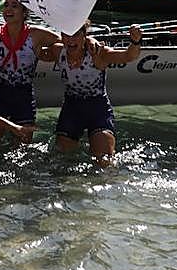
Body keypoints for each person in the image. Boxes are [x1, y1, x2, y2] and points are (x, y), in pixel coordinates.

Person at [43, 23, 142, 167]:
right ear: (61, 37)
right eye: (67, 35)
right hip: (72, 108)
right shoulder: (58, 51)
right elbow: (37, 47)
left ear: (84, 36)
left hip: (98, 109)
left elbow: (128, 56)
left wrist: (136, 40)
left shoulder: (98, 53)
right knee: (60, 160)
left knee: (104, 161)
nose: (71, 40)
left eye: (76, 35)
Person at [0, 0, 59, 148]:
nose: (8, 9)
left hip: (23, 95)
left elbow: (66, 42)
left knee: (23, 151)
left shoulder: (37, 34)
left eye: (14, 6)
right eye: (6, 5)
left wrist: (48, 54)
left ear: (25, 12)